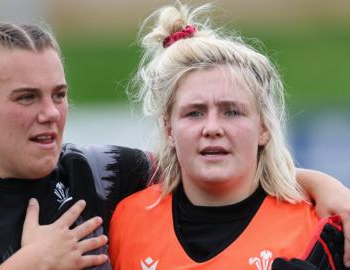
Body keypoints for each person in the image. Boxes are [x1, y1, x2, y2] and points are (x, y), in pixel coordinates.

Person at [0, 22, 348, 270]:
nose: (51, 113)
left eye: (59, 95)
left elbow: (216, 166)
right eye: (26, 98)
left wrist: (323, 188)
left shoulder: (96, 172)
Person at [109, 3, 349, 270]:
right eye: (194, 113)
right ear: (169, 130)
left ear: (264, 128)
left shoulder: (316, 229)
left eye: (232, 112)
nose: (212, 128)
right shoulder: (126, 221)